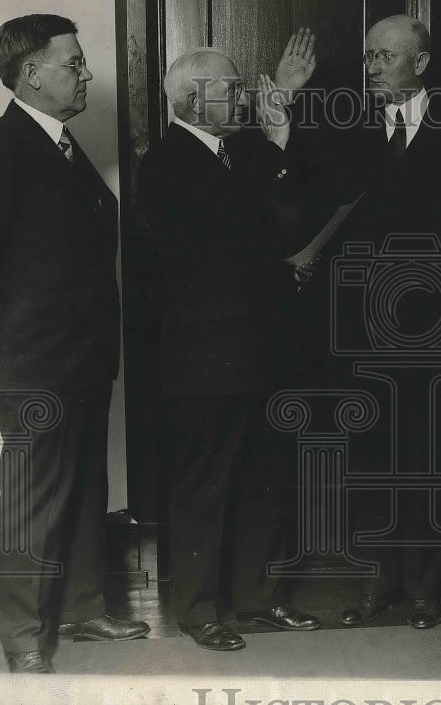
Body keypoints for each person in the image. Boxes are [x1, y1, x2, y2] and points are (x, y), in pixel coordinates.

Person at [0, 14, 150, 674]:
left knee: (84, 488)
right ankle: (24, 638)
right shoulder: (1, 153)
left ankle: (83, 609)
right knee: (34, 502)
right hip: (35, 365)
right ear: (31, 74)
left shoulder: (59, 143)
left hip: (81, 360)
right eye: (74, 64)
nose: (85, 75)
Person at [294, 14, 441, 630]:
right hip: (361, 334)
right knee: (369, 459)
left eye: (387, 57)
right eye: (369, 56)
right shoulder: (341, 133)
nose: (372, 67)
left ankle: (426, 589)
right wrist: (291, 93)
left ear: (422, 63)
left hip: (436, 332)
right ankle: (377, 584)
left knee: (430, 460)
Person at [137, 46, 320, 651]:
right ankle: (197, 611)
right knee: (206, 484)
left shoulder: (236, 153)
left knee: (265, 480)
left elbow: (285, 223)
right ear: (192, 98)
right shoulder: (166, 162)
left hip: (261, 349)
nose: (243, 95)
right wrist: (275, 140)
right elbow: (239, 227)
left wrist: (276, 138)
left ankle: (258, 600)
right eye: (232, 87)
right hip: (206, 358)